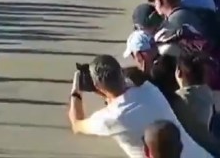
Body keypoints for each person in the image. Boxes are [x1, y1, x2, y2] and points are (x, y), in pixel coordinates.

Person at [68, 54, 210, 157]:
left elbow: (76, 124)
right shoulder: (150, 90)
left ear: (98, 87)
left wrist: (76, 91)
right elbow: (131, 80)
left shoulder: (112, 118)